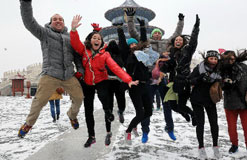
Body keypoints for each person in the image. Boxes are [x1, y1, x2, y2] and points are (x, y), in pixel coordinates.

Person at [18, 0, 84, 138]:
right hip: (50, 74)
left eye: (60, 19)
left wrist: (80, 70)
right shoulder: (45, 34)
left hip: (68, 74)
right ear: (50, 23)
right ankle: (29, 123)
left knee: (79, 98)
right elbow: (29, 23)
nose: (58, 21)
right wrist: (26, 3)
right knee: (39, 101)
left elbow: (77, 57)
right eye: (55, 19)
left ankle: (72, 116)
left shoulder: (69, 37)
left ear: (64, 23)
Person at [70, 16, 138, 147]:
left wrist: (128, 79)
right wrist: (73, 29)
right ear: (90, 40)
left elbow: (115, 68)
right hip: (87, 83)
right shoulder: (84, 51)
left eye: (99, 39)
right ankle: (91, 136)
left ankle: (108, 111)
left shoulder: (105, 54)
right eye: (94, 38)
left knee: (103, 96)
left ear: (101, 42)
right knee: (88, 110)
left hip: (101, 80)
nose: (96, 40)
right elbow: (75, 42)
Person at [126, 8, 184, 142]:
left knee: (167, 104)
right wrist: (130, 19)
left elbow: (177, 35)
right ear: (152, 35)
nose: (157, 35)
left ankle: (170, 128)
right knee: (147, 106)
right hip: (148, 78)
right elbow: (133, 32)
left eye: (159, 33)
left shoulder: (166, 44)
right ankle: (145, 131)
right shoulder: (147, 43)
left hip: (161, 77)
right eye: (155, 33)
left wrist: (181, 21)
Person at [116, 18, 154, 145]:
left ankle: (134, 125)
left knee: (149, 111)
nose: (133, 46)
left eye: (134, 44)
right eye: (131, 44)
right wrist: (120, 29)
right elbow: (122, 44)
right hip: (134, 86)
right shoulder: (127, 56)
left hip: (145, 85)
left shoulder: (142, 53)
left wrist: (143, 26)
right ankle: (128, 131)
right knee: (140, 112)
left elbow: (143, 41)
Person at [219, 49, 247, 158]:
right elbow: (218, 84)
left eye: (233, 58)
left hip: (244, 101)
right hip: (229, 103)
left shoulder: (244, 67)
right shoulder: (221, 69)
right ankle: (234, 144)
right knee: (231, 127)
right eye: (228, 58)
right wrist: (224, 83)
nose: (231, 60)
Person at [189, 50, 222, 159]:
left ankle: (215, 144)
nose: (213, 61)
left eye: (215, 59)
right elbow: (190, 80)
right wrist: (200, 78)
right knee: (200, 123)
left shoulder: (218, 71)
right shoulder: (199, 67)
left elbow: (221, 83)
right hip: (197, 99)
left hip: (210, 99)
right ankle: (201, 146)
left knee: (214, 122)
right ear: (207, 59)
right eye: (211, 58)